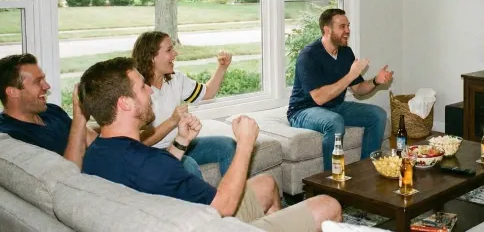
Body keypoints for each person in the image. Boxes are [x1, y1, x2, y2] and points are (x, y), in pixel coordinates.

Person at [79, 57, 342, 232]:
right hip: (210, 223)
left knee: (266, 184)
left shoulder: (97, 154)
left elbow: (155, 175)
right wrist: (245, 144)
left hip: (188, 217)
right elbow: (222, 206)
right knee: (328, 206)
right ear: (124, 103)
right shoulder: (149, 163)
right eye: (141, 87)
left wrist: (181, 142)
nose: (149, 90)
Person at [287, 8, 392, 171]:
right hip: (303, 110)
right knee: (334, 122)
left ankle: (367, 171)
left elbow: (358, 89)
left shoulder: (345, 52)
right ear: (327, 29)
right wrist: (350, 75)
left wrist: (376, 81)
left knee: (378, 114)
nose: (347, 30)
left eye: (348, 26)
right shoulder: (308, 56)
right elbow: (319, 98)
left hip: (334, 106)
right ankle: (332, 178)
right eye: (342, 26)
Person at [131, 31, 237, 178]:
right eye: (169, 50)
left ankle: (233, 193)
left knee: (227, 146)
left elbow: (207, 93)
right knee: (188, 165)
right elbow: (137, 143)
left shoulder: (176, 79)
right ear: (151, 57)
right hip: (152, 153)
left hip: (180, 143)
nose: (175, 53)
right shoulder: (137, 90)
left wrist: (222, 67)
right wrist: (173, 121)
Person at [0, 53, 97, 168]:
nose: (47, 86)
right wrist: (80, 117)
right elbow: (65, 174)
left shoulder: (52, 111)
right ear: (13, 92)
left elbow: (94, 142)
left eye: (44, 79)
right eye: (37, 81)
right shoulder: (12, 139)